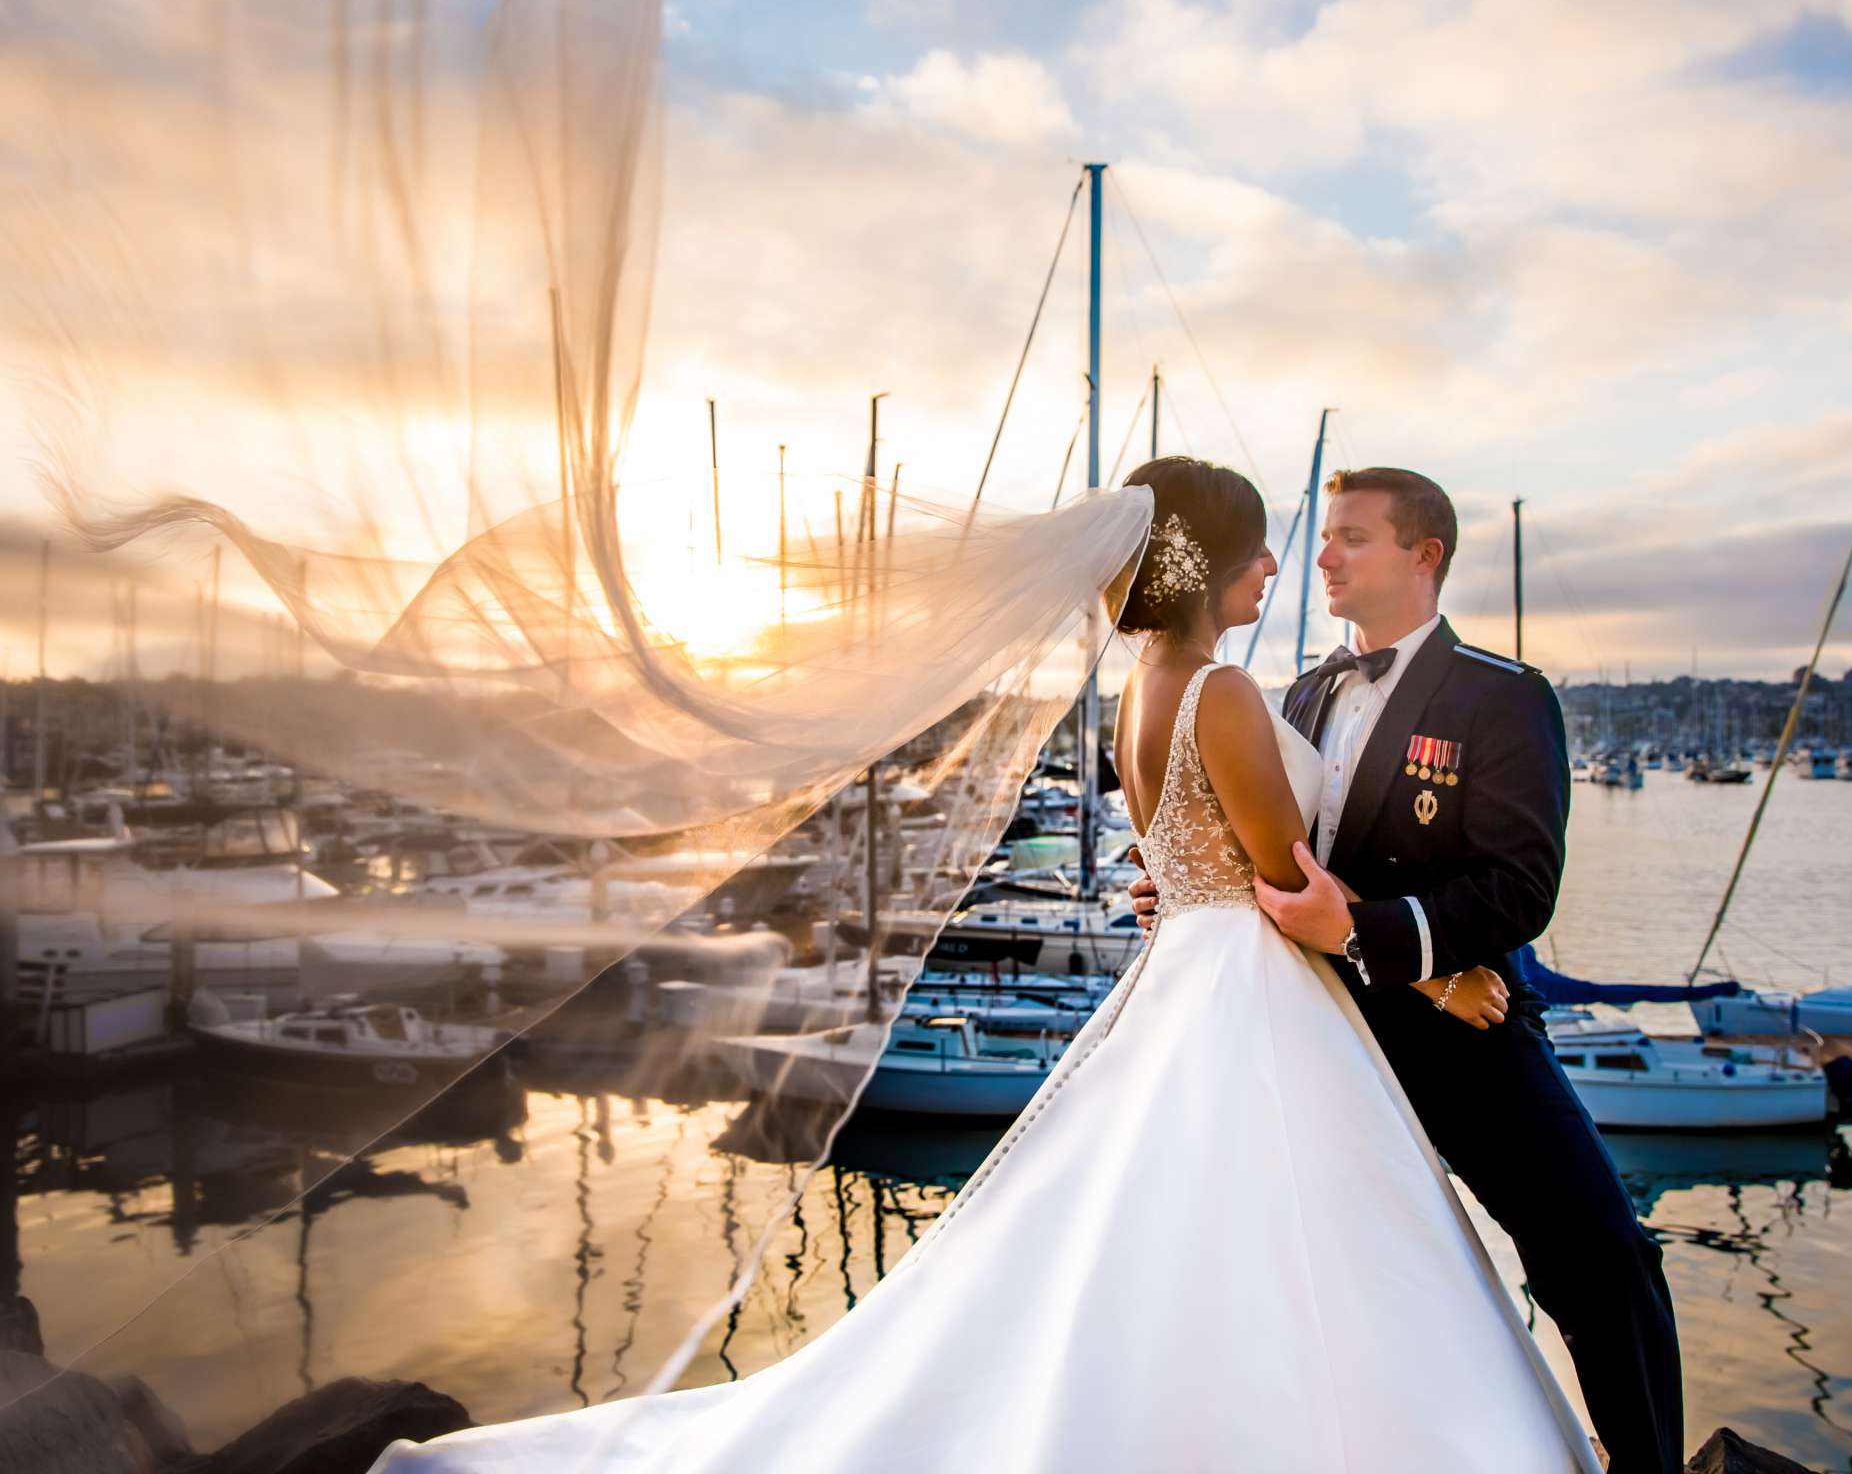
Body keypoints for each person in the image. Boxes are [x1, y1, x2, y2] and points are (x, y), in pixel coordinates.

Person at [371, 456, 1598, 1472]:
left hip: (1198, 968)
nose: (1283, 566)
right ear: (1206, 559)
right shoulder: (1223, 687)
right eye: (1267, 547)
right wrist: (1434, 970)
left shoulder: (1142, 684)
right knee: (1283, 1226)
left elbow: (1195, 846)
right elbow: (1290, 882)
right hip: (1250, 978)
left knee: (1180, 1222)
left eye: (1319, 544)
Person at [1137, 466, 1684, 1472]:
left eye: (1352, 536)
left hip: (1457, 1035)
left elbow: (1520, 889)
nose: (1325, 555)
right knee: (1324, 1284)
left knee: (1601, 1254)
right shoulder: (1300, 690)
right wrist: (1183, 888)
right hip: (1306, 1024)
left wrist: (1395, 947)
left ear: (1423, 554)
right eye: (1326, 535)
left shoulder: (1504, 697)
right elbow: (1273, 856)